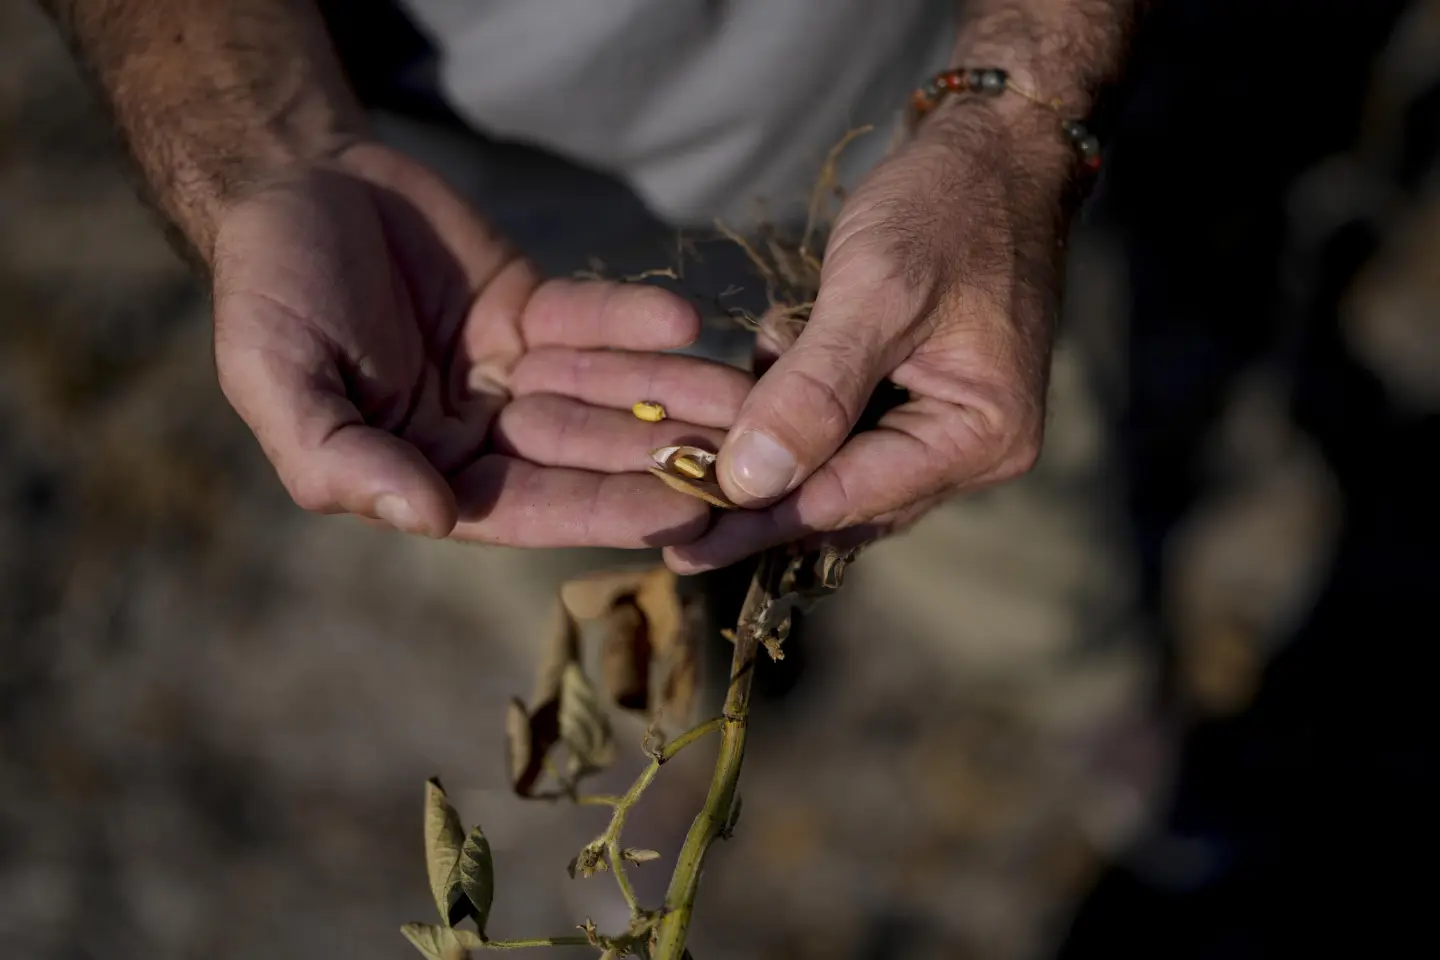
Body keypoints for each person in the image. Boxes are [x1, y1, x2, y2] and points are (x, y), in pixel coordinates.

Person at [37, 0, 1140, 573]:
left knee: (1000, 517)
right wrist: (267, 154)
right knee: (550, 556)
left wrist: (1018, 115)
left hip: (918, 141)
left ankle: (1082, 693)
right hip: (439, 268)